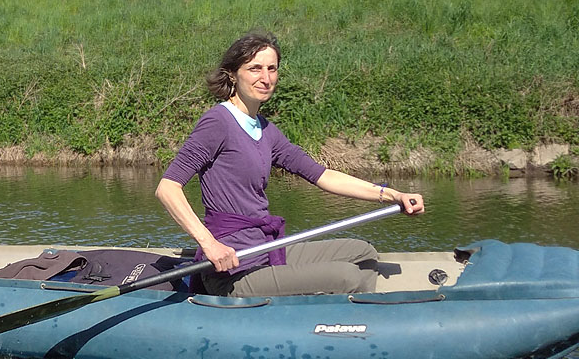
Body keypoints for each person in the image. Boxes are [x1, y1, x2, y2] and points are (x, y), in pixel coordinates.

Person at [155, 31, 424, 296]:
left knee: (363, 252)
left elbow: (323, 176)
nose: (266, 78)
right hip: (233, 270)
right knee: (347, 276)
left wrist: (393, 195)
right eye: (255, 68)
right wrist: (209, 244)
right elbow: (167, 188)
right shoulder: (217, 123)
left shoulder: (266, 130)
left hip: (265, 250)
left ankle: (354, 314)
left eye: (272, 69)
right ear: (233, 74)